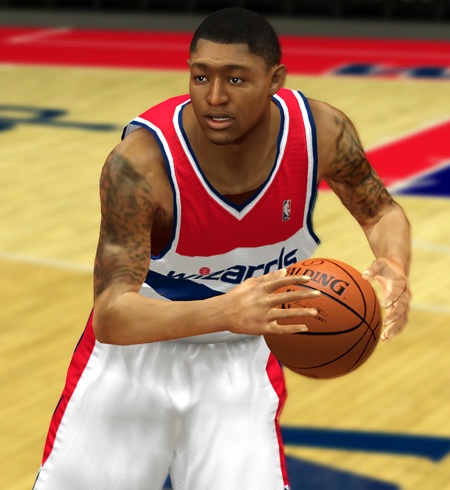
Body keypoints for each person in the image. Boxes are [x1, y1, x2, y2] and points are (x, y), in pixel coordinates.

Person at [33, 7, 411, 490]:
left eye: (236, 79)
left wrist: (394, 263)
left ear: (275, 80)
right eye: (201, 76)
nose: (214, 97)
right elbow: (111, 316)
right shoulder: (141, 164)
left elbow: (380, 211)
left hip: (239, 365)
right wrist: (226, 311)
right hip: (134, 362)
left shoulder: (321, 133)